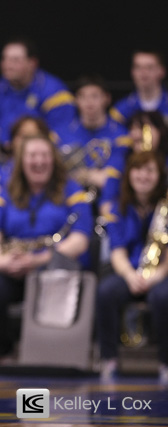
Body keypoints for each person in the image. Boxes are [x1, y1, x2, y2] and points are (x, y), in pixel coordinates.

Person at [0, 134, 93, 361]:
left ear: (53, 159)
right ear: (21, 160)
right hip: (15, 270)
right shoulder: (6, 191)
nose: (39, 161)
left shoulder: (73, 189)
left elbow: (80, 240)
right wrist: (2, 262)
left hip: (56, 271)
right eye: (32, 156)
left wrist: (39, 260)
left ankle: (54, 359)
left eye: (44, 155)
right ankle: (5, 352)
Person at [97, 151, 168, 385]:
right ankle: (109, 359)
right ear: (129, 174)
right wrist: (130, 276)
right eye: (138, 169)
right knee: (106, 292)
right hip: (129, 273)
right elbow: (117, 252)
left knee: (163, 297)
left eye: (150, 170)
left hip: (161, 275)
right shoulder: (117, 208)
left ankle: (165, 363)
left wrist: (156, 276)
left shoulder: (165, 207)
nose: (143, 176)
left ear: (159, 175)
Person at [0, 37, 75, 144]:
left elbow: (62, 133)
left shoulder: (55, 92)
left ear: (32, 63)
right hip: (4, 151)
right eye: (4, 59)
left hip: (41, 151)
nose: (8, 65)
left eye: (15, 60)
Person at [56, 74, 128, 190]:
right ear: (76, 100)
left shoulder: (121, 136)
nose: (89, 102)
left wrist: (80, 175)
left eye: (94, 96)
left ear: (107, 98)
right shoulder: (59, 135)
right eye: (83, 96)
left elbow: (112, 178)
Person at [100, 110, 168, 216]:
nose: (136, 134)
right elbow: (106, 205)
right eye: (132, 128)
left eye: (142, 128)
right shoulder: (121, 160)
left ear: (160, 131)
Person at [110, 49, 168, 125]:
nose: (143, 72)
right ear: (132, 72)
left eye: (149, 67)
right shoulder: (120, 110)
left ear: (162, 71)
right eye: (138, 67)